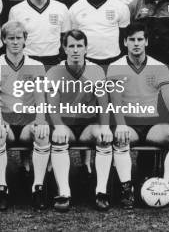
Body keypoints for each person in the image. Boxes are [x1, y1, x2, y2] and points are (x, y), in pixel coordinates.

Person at [107, 22, 169, 208]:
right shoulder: (115, 66)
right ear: (125, 42)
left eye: (140, 39)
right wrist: (119, 124)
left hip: (153, 124)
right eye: (132, 40)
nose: (136, 43)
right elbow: (115, 100)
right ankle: (126, 189)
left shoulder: (158, 66)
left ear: (146, 42)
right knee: (120, 139)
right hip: (127, 123)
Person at [45, 29, 113, 212]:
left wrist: (105, 127)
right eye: (71, 46)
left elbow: (103, 103)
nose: (75, 50)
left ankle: (101, 191)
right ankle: (64, 192)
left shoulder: (96, 70)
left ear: (86, 49)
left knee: (104, 138)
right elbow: (52, 105)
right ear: (64, 48)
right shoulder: (54, 71)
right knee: (58, 138)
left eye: (79, 46)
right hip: (65, 124)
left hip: (87, 125)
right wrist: (58, 127)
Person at [0, 22, 49, 211]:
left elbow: (40, 95)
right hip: (6, 120)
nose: (14, 42)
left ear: (25, 40)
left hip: (28, 122)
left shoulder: (35, 65)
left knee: (43, 133)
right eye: (10, 38)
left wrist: (41, 119)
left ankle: (38, 188)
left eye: (18, 38)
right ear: (4, 39)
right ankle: (1, 188)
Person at [9, 0, 70, 67]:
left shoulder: (61, 8)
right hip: (27, 61)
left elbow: (65, 39)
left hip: (53, 61)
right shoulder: (16, 10)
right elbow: (12, 42)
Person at [69, 0, 129, 66]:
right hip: (86, 61)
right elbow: (74, 38)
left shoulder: (120, 7)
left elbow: (124, 37)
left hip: (114, 60)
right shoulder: (75, 8)